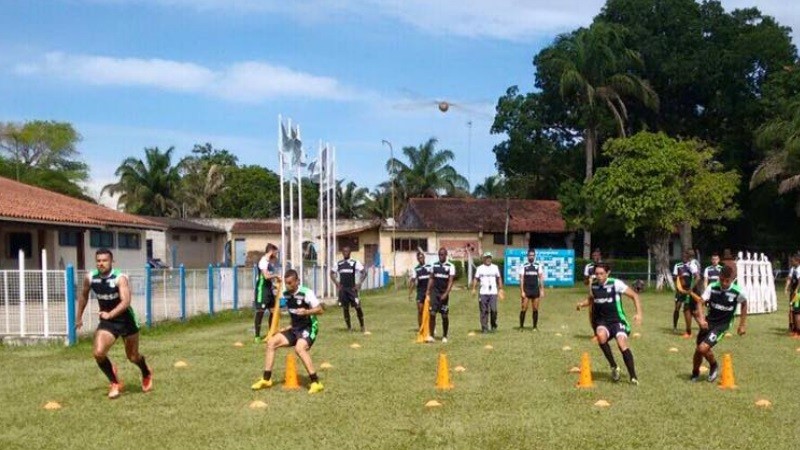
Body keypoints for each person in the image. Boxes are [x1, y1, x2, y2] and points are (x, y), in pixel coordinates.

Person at [76, 248, 152, 399]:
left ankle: (146, 372)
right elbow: (83, 296)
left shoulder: (120, 278)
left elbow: (126, 301)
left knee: (133, 357)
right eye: (98, 261)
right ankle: (114, 382)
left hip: (126, 321)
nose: (101, 263)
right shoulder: (90, 278)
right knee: (98, 353)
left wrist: (110, 313)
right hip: (107, 322)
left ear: (112, 262)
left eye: (104, 260)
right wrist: (78, 317)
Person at [252, 269, 325, 394]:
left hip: (308, 327)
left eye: (290, 283)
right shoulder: (285, 294)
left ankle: (316, 382)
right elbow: (277, 308)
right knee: (271, 342)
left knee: (299, 348)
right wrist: (278, 287)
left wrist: (307, 311)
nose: (288, 285)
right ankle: (266, 379)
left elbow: (320, 310)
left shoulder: (306, 293)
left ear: (297, 281)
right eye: (286, 283)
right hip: (295, 328)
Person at [576, 263, 642, 385]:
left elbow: (634, 295)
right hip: (602, 321)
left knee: (621, 343)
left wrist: (639, 313)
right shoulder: (594, 285)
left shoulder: (616, 283)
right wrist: (582, 304)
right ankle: (614, 366)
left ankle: (633, 376)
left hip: (617, 320)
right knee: (600, 336)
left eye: (601, 273)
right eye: (597, 274)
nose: (599, 276)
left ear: (608, 273)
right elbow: (591, 300)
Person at [689, 265, 747, 382]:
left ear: (732, 279)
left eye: (727, 281)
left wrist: (742, 324)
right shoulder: (712, 287)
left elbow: (744, 304)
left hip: (722, 325)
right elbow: (700, 302)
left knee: (702, 348)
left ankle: (714, 365)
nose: (724, 283)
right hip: (709, 322)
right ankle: (695, 372)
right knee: (698, 350)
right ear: (719, 277)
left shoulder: (737, 291)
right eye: (721, 280)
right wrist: (701, 319)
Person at [329, 246, 367, 333]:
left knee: (358, 307)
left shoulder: (354, 263)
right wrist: (337, 283)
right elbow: (331, 273)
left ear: (350, 253)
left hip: (352, 289)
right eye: (344, 251)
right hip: (343, 290)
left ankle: (362, 326)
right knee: (345, 308)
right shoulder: (339, 264)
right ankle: (349, 328)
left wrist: (359, 283)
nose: (345, 253)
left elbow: (364, 272)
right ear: (342, 253)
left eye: (347, 251)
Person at [426, 247, 455, 343]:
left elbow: (450, 281)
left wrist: (446, 293)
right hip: (435, 292)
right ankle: (431, 335)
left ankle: (445, 335)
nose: (441, 256)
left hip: (444, 293)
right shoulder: (434, 265)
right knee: (432, 313)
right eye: (439, 254)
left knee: (444, 315)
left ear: (446, 255)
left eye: (442, 254)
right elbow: (431, 278)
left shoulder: (450, 266)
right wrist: (428, 291)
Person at [254, 244, 281, 343]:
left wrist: (274, 285)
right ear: (271, 251)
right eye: (276, 252)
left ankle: (271, 333)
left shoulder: (269, 263)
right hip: (262, 290)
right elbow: (265, 276)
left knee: (274, 311)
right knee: (260, 312)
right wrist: (277, 276)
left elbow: (269, 278)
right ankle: (257, 336)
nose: (276, 255)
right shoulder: (263, 261)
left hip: (268, 290)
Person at [471, 252, 503, 333]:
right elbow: (476, 278)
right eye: (487, 257)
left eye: (490, 257)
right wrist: (474, 288)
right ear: (483, 259)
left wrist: (501, 288)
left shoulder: (495, 267)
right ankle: (484, 327)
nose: (488, 259)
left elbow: (499, 278)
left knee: (494, 310)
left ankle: (493, 325)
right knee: (484, 310)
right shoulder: (480, 268)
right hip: (483, 292)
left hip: (493, 292)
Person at [673, 249, 700, 337]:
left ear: (688, 256)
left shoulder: (692, 264)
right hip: (693, 290)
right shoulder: (695, 263)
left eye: (686, 255)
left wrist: (690, 289)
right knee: (693, 311)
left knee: (687, 310)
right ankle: (703, 328)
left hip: (692, 291)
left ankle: (689, 332)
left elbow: (697, 277)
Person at [519, 249, 545, 330]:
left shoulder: (538, 265)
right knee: (524, 308)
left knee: (535, 308)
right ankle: (521, 326)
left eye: (533, 255)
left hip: (535, 290)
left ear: (534, 256)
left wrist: (542, 290)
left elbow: (541, 278)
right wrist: (522, 291)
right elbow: (521, 279)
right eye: (530, 255)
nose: (531, 257)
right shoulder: (524, 265)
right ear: (527, 256)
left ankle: (534, 327)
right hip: (526, 290)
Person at [409, 252, 431, 328]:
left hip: (429, 291)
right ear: (417, 259)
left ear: (424, 258)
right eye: (419, 258)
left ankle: (430, 327)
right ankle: (420, 327)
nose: (421, 259)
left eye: (422, 257)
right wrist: (410, 293)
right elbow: (413, 281)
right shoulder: (416, 269)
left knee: (429, 310)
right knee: (420, 310)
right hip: (420, 291)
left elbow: (433, 278)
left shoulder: (429, 267)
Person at [785, 254, 800, 334]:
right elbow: (789, 279)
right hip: (793, 292)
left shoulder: (799, 270)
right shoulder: (792, 269)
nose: (791, 262)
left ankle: (797, 330)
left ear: (797, 261)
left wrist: (796, 290)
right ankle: (792, 326)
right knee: (791, 309)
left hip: (797, 294)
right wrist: (786, 288)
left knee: (796, 310)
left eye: (793, 261)